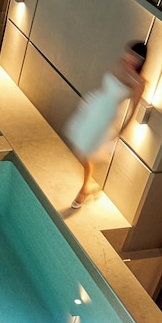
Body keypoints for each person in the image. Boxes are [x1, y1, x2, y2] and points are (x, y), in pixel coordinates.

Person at [65, 41, 148, 209]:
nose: (130, 58)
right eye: (130, 53)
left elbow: (133, 110)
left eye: (135, 57)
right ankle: (87, 184)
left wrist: (122, 130)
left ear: (141, 61)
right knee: (79, 146)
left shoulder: (139, 82)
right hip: (96, 104)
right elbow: (108, 83)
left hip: (106, 115)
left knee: (85, 150)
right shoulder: (120, 64)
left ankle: (84, 189)